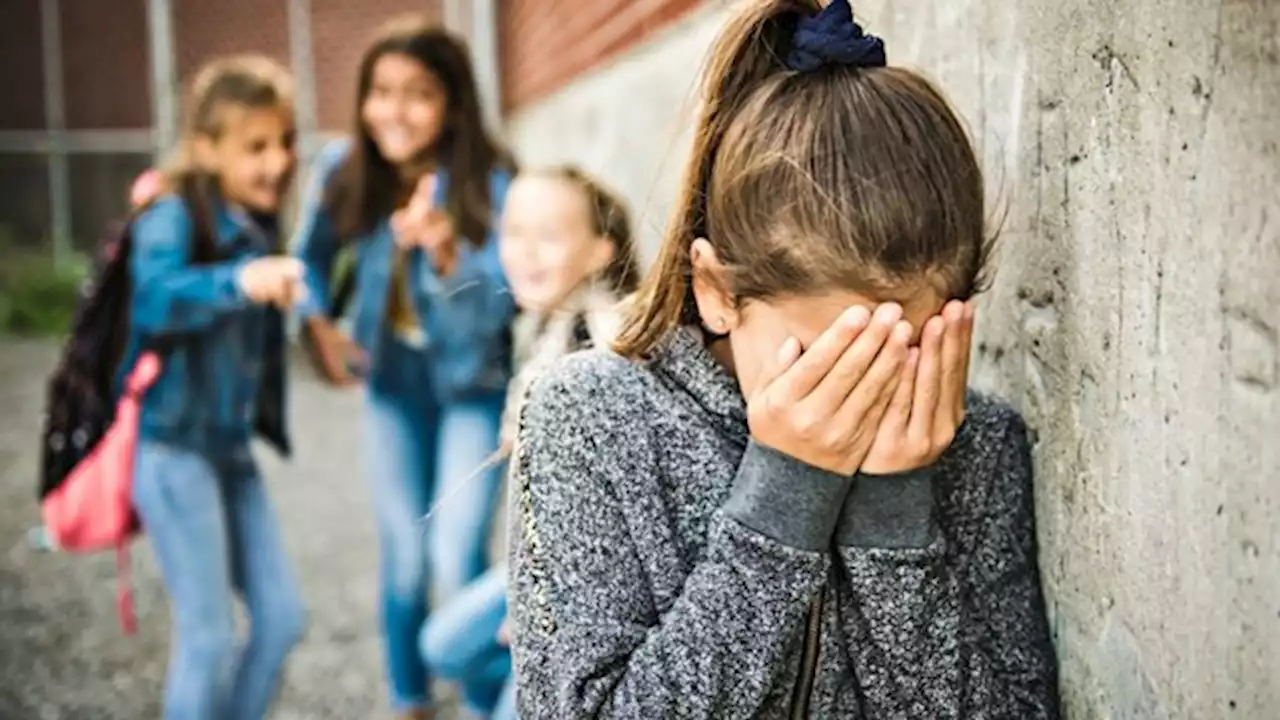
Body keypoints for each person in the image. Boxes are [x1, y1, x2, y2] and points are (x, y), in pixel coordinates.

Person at [507, 1, 1062, 718]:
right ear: (716, 293)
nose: (862, 397)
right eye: (828, 360)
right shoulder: (588, 419)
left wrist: (895, 516)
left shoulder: (977, 444)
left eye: (902, 352)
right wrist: (784, 500)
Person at [291, 16, 516, 719]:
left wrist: (448, 253)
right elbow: (309, 259)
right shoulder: (344, 170)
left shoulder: (491, 180)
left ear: (453, 103)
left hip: (473, 388)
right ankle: (408, 696)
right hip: (393, 387)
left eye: (418, 93)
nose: (394, 110)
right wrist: (317, 324)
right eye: (380, 91)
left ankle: (487, 700)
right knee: (407, 557)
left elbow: (505, 303)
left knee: (455, 554)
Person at [420, 165, 640, 720]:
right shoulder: (544, 331)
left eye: (549, 235)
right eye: (514, 232)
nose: (526, 252)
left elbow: (610, 514)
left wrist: (538, 608)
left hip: (590, 584)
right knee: (441, 646)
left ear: (599, 252)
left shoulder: (604, 347)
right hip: (541, 567)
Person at [126, 55, 307, 719]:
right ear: (205, 148)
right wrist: (238, 282)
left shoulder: (256, 222)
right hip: (173, 452)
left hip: (229, 453)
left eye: (284, 143)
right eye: (255, 146)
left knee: (283, 618)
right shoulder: (174, 214)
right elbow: (150, 301)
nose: (277, 161)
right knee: (206, 638)